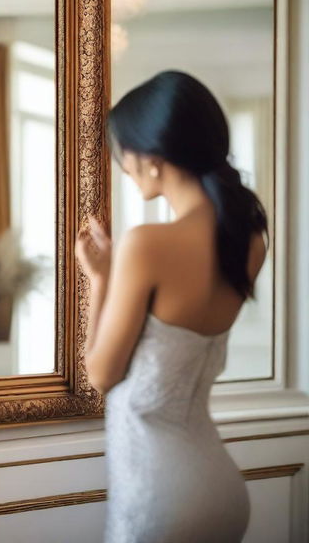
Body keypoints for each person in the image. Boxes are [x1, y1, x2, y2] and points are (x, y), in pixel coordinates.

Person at [75, 70, 268, 542]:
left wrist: (98, 281)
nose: (123, 165)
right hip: (221, 488)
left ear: (154, 159)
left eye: (124, 153)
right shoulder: (251, 241)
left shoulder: (147, 245)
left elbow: (101, 373)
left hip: (160, 497)